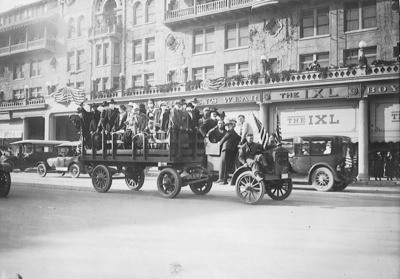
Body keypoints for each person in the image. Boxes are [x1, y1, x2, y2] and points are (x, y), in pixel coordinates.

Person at [217, 118, 241, 185]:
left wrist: (219, 143)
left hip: (227, 150)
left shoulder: (230, 132)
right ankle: (226, 180)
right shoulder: (235, 133)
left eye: (229, 125)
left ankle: (224, 181)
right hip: (232, 150)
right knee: (229, 165)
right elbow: (239, 138)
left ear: (232, 125)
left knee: (226, 165)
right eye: (227, 125)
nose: (228, 126)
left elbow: (224, 138)